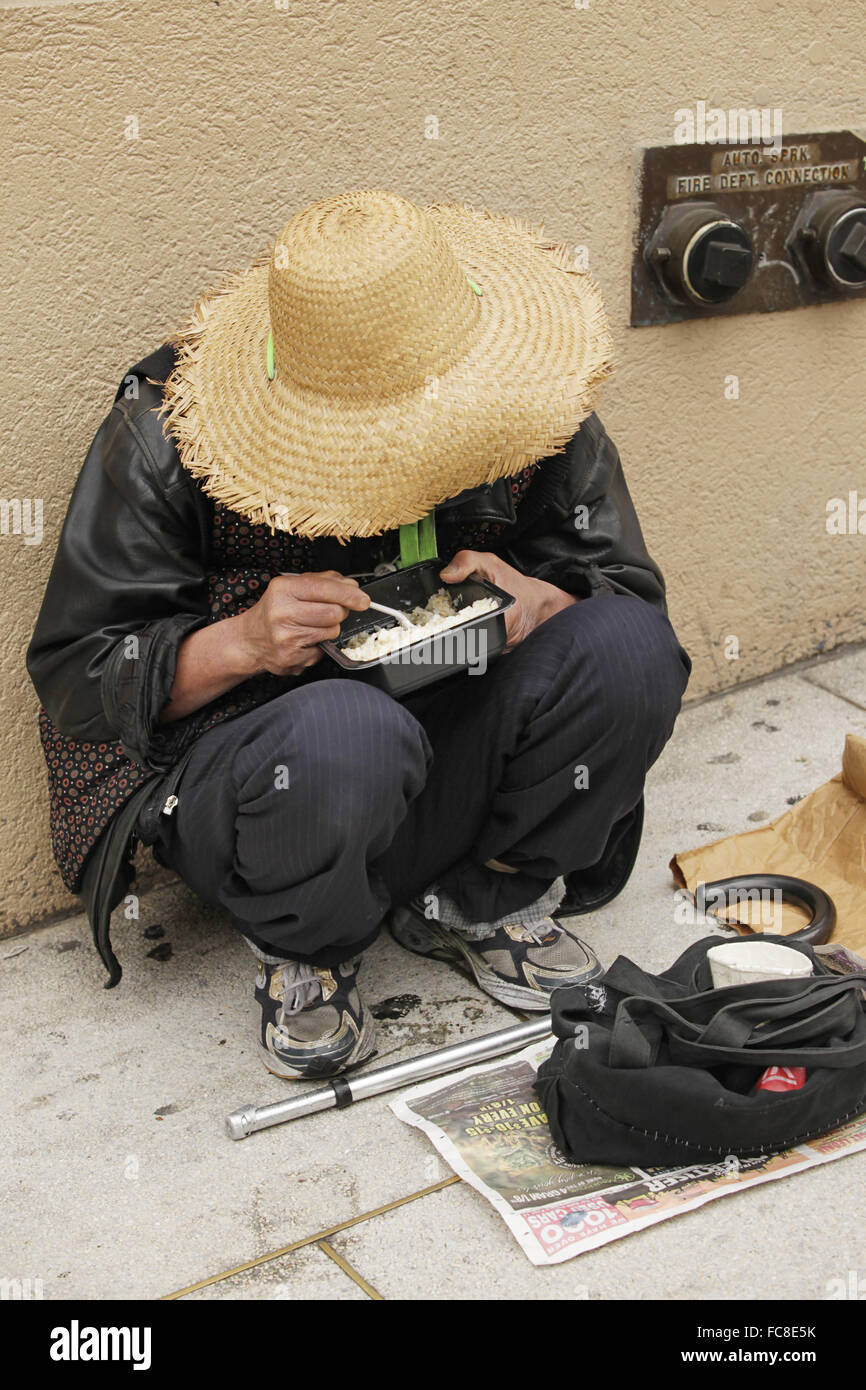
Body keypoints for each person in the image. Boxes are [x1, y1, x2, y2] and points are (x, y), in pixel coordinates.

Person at [26, 188, 691, 1080]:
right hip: (279, 786)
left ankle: (482, 896)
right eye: (365, 437)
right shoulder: (166, 429)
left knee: (629, 648)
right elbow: (79, 679)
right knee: (346, 732)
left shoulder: (531, 403)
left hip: (455, 751)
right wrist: (244, 643)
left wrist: (542, 600)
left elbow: (625, 594)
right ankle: (311, 946)